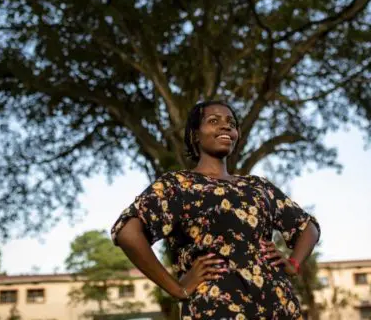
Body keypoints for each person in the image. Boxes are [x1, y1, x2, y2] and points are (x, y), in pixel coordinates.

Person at [111, 101, 320, 319]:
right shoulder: (178, 185)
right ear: (195, 135)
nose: (225, 126)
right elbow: (128, 232)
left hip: (278, 307)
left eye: (231, 123)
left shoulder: (258, 186)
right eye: (213, 121)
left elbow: (308, 227)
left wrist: (293, 263)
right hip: (216, 309)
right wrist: (175, 288)